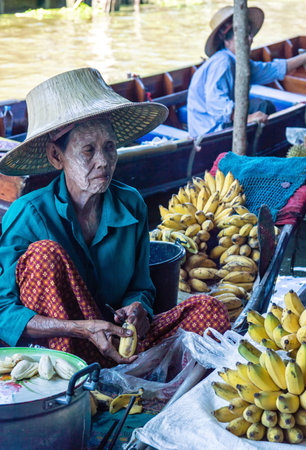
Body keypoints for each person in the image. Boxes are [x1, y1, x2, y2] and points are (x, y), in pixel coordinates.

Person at [0, 68, 230, 366]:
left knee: (209, 311)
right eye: (88, 151)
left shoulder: (130, 204)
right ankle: (89, 380)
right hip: (61, 350)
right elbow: (4, 311)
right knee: (45, 254)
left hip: (119, 344)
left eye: (110, 147)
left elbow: (142, 286)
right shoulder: (28, 215)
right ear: (57, 157)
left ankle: (121, 374)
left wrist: (137, 308)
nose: (104, 161)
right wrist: (81, 329)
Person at [187, 6, 306, 138]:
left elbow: (271, 70)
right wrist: (249, 118)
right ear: (226, 40)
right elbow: (216, 105)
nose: (251, 39)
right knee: (263, 107)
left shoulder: (239, 62)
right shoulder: (223, 62)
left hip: (218, 122)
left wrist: (303, 58)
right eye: (244, 35)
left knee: (263, 105)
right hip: (210, 129)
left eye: (249, 34)